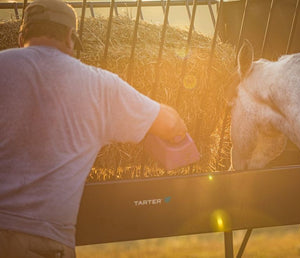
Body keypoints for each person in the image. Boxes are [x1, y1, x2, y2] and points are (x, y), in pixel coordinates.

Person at [0, 0, 187, 257]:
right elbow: (170, 125)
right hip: (43, 243)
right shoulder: (99, 86)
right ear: (70, 37)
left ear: (21, 37)